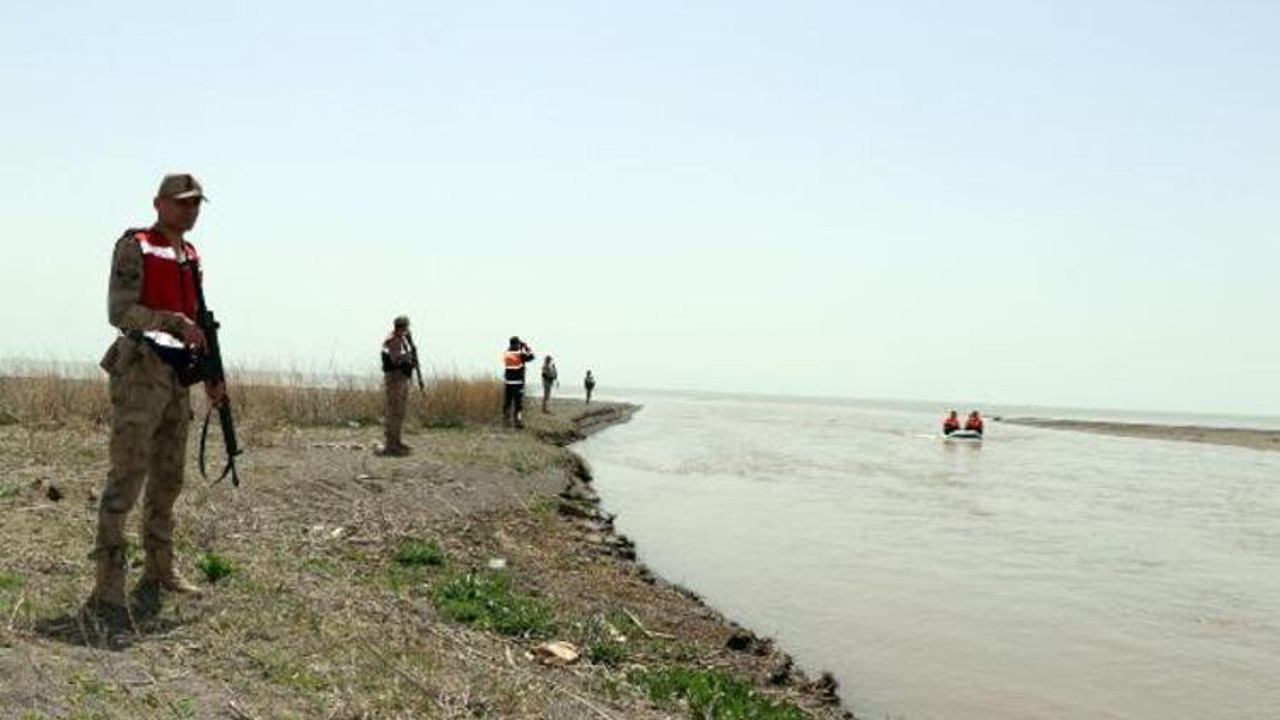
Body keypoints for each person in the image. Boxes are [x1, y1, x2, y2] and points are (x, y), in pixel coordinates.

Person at [90, 173, 225, 612]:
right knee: (127, 476)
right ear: (159, 204)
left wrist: (212, 375)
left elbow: (197, 320)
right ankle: (108, 584)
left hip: (177, 377)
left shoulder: (190, 254)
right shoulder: (136, 245)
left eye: (196, 204)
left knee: (168, 478)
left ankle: (160, 570)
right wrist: (171, 322)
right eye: (182, 203)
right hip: (141, 370)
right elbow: (120, 310)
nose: (191, 211)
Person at [378, 315, 418, 456]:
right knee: (394, 410)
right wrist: (408, 356)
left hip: (400, 378)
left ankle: (396, 441)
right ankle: (391, 444)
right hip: (396, 378)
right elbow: (395, 359)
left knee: (399, 411)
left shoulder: (401, 340)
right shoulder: (394, 340)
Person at [502, 336, 536, 428]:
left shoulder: (506, 353)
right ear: (517, 344)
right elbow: (532, 356)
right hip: (518, 383)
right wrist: (525, 346)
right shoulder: (520, 354)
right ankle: (518, 422)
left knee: (507, 402)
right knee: (518, 404)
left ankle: (506, 421)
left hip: (508, 382)